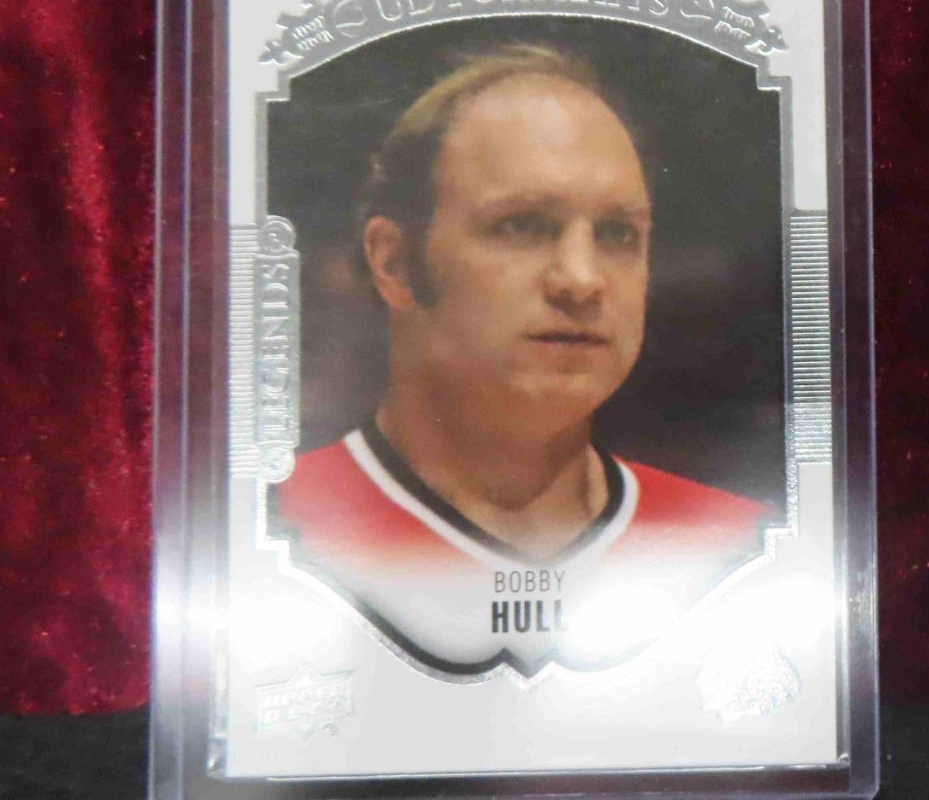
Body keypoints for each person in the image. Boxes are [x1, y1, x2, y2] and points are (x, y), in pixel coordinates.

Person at [271, 44, 770, 674]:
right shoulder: (264, 531)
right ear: (394, 263)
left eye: (618, 234)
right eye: (522, 226)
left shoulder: (743, 547)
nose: (581, 279)